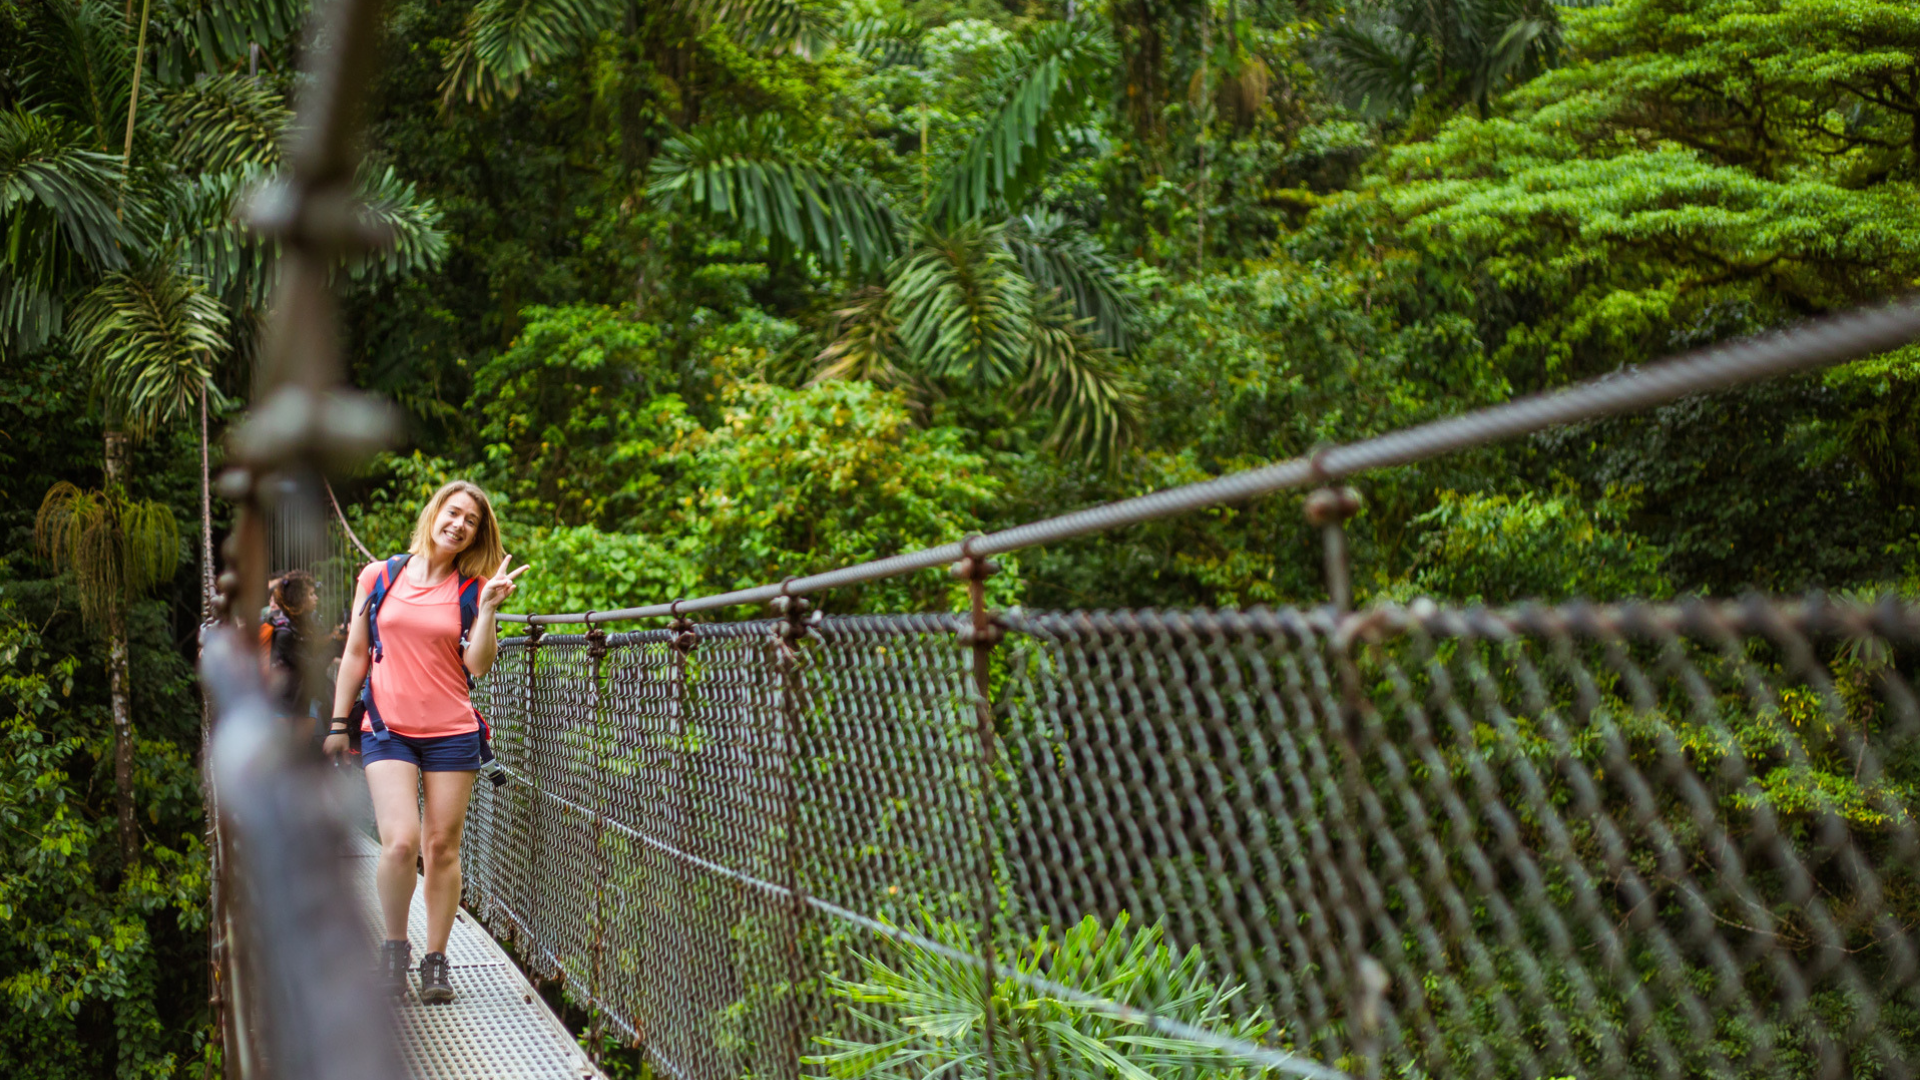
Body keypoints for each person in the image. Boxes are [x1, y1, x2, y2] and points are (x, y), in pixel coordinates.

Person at [323, 480, 529, 1003]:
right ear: (435, 512)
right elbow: (354, 653)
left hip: (452, 733)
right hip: (386, 729)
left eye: (471, 522)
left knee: (441, 847)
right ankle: (395, 950)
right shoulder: (379, 576)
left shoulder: (471, 588)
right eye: (453, 512)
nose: (458, 525)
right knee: (399, 842)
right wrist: (336, 722)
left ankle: (436, 960)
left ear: (476, 535)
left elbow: (478, 665)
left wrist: (487, 609)